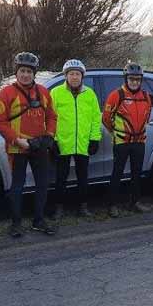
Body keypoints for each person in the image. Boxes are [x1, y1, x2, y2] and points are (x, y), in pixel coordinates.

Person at [0, 51, 57, 238]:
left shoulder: (43, 92)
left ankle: (39, 220)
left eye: (29, 71)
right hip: (17, 147)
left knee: (42, 184)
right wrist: (17, 140)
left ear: (34, 73)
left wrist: (50, 135)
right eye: (22, 71)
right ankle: (16, 223)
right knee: (17, 186)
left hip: (39, 146)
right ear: (16, 72)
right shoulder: (7, 92)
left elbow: (52, 116)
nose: (25, 75)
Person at [51, 59, 101, 218]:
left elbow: (95, 118)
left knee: (83, 177)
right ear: (66, 76)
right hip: (62, 143)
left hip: (83, 143)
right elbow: (50, 118)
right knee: (61, 178)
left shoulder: (90, 94)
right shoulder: (56, 93)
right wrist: (52, 139)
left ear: (82, 76)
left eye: (77, 74)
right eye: (71, 74)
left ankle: (83, 207)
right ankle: (58, 208)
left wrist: (94, 139)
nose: (74, 77)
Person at [103, 62, 152, 217]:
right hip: (122, 141)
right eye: (131, 79)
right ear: (126, 79)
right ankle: (112, 205)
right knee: (117, 173)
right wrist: (116, 132)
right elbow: (106, 118)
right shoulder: (117, 95)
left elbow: (148, 116)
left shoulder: (145, 96)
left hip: (139, 141)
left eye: (138, 79)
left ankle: (135, 202)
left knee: (137, 173)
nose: (135, 82)